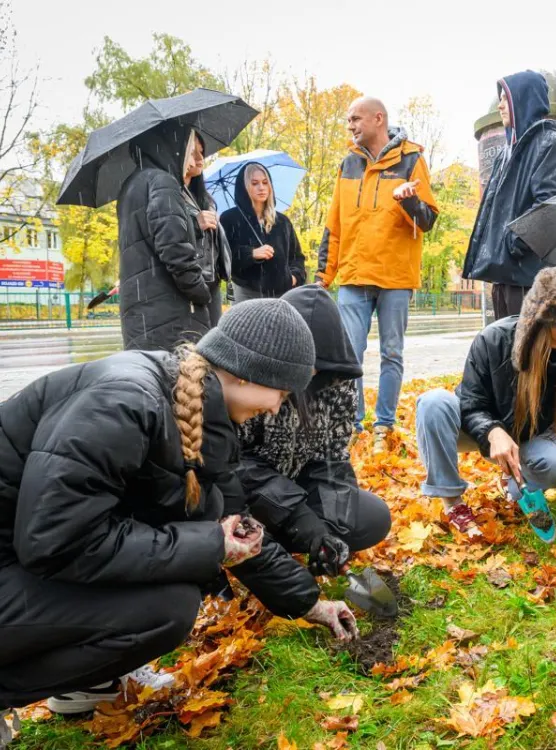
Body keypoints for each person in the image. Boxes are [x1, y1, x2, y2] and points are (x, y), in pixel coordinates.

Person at [0, 300, 357, 732]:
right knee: (166, 608)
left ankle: (87, 685)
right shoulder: (124, 402)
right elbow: (53, 541)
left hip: (22, 560)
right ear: (245, 370)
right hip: (23, 556)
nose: (278, 408)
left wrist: (310, 603)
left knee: (172, 591)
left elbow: (236, 525)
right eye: (281, 393)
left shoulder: (203, 414)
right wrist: (210, 545)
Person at [415, 265, 556, 558]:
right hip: (474, 430)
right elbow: (470, 401)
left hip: (529, 437)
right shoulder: (494, 339)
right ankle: (453, 503)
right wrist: (493, 431)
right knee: (433, 403)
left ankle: (515, 485)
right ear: (538, 315)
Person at [236, 284, 392, 579]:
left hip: (297, 484)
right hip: (245, 492)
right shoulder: (252, 383)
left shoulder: (337, 382)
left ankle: (294, 544)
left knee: (370, 518)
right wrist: (301, 519)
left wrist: (327, 532)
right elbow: (239, 466)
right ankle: (260, 549)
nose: (307, 376)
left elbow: (332, 457)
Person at [315, 96, 438, 453]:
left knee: (391, 354)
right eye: (348, 120)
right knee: (347, 355)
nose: (350, 126)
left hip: (395, 278)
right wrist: (324, 277)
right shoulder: (347, 164)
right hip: (353, 275)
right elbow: (333, 226)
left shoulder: (411, 160)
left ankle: (383, 425)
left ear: (378, 118)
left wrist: (407, 201)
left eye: (355, 119)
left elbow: (427, 220)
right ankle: (352, 423)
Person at [462, 71, 556, 319]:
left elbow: (548, 206)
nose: (500, 105)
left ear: (524, 99)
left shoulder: (549, 141)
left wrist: (515, 243)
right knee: (503, 349)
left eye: (506, 98)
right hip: (505, 273)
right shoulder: (508, 150)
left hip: (527, 273)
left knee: (526, 350)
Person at [117, 126, 214, 352]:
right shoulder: (163, 182)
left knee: (149, 381)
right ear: (174, 147)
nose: (195, 158)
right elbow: (174, 248)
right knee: (181, 382)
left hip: (140, 311)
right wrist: (201, 292)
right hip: (168, 311)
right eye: (190, 150)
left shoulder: (131, 185)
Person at [220, 162, 306, 302]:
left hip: (282, 295)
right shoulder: (230, 219)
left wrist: (294, 277)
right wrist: (251, 253)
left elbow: (297, 258)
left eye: (265, 182)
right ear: (244, 186)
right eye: (254, 183)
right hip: (247, 293)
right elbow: (224, 259)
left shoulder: (282, 221)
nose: (261, 188)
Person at [183, 132, 231, 326]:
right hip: (190, 282)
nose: (200, 158)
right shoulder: (171, 195)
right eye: (193, 152)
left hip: (212, 282)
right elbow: (168, 238)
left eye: (202, 152)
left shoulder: (205, 199)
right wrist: (196, 224)